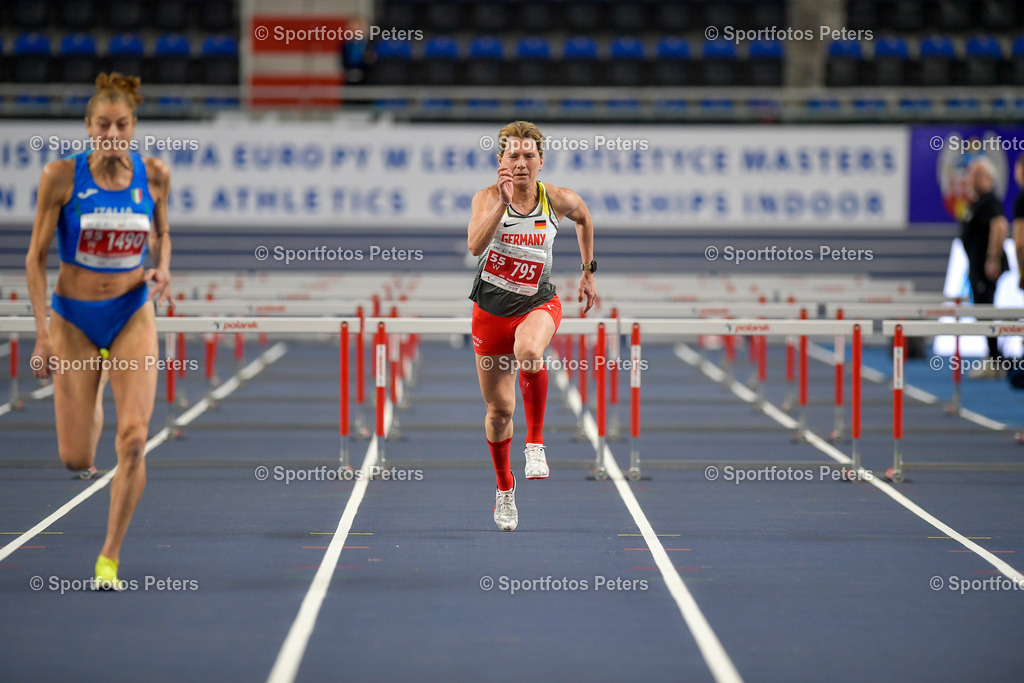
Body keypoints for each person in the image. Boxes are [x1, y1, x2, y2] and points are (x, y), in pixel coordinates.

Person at [25, 73, 171, 586]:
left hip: (132, 312)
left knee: (133, 440)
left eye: (122, 126)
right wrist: (43, 334)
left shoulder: (154, 175)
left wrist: (163, 265)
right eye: (103, 126)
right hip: (74, 321)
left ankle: (109, 555)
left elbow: (162, 233)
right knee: (77, 457)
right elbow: (35, 258)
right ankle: (97, 385)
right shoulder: (61, 177)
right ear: (88, 128)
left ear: (133, 127)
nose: (112, 134)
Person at [467, 121, 597, 531]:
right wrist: (502, 206)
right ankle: (505, 489)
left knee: (529, 352)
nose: (521, 164)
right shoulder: (486, 198)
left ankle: (536, 442)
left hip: (539, 302)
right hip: (490, 311)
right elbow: (474, 246)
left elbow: (585, 218)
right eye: (513, 156)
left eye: (528, 156)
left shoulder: (557, 199)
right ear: (499, 161)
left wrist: (588, 271)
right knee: (499, 412)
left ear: (541, 161)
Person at [960, 157, 1008, 378]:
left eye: (975, 174)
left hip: (985, 266)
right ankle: (994, 357)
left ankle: (995, 360)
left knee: (986, 310)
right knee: (983, 311)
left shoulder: (989, 200)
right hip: (977, 266)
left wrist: (992, 257)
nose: (970, 178)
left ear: (986, 177)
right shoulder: (977, 202)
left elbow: (1000, 225)